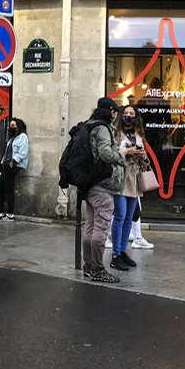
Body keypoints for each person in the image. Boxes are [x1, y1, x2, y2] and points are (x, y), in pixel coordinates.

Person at [81, 98, 130, 284]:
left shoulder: (89, 126)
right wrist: (123, 154)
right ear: (111, 112)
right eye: (115, 112)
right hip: (103, 186)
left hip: (91, 184)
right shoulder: (102, 128)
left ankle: (88, 265)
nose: (116, 115)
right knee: (100, 229)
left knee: (90, 226)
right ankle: (97, 268)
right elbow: (105, 154)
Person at [109, 105, 148, 271]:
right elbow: (111, 154)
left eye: (131, 113)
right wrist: (127, 151)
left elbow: (144, 159)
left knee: (129, 217)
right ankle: (115, 254)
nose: (128, 116)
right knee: (120, 215)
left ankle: (122, 251)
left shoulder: (139, 134)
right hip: (120, 177)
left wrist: (143, 155)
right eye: (125, 113)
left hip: (134, 178)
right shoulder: (115, 133)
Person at [0, 118, 29, 222]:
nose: (10, 128)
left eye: (13, 126)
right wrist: (3, 163)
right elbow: (7, 153)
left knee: (8, 188)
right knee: (0, 187)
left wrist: (13, 162)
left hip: (13, 165)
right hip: (6, 165)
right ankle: (0, 211)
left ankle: (10, 213)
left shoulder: (23, 137)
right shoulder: (12, 139)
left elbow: (23, 152)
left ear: (18, 127)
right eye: (10, 126)